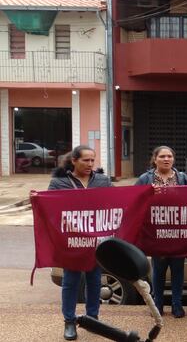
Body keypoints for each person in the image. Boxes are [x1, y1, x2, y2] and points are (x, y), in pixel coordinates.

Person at [48, 145, 112, 340]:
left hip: (96, 242)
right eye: (85, 160)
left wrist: (147, 194)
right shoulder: (59, 182)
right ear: (73, 161)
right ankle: (69, 321)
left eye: (93, 160)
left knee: (94, 281)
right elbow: (49, 207)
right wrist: (35, 199)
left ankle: (92, 319)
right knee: (71, 282)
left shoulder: (102, 180)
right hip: (72, 241)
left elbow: (119, 201)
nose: (90, 164)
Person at [135, 146, 187, 318]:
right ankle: (157, 305)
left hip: (177, 231)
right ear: (155, 159)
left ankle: (177, 304)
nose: (166, 159)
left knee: (178, 271)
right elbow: (134, 200)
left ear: (173, 159)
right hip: (156, 232)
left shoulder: (182, 178)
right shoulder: (145, 178)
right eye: (162, 156)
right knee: (158, 272)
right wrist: (148, 194)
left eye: (169, 156)